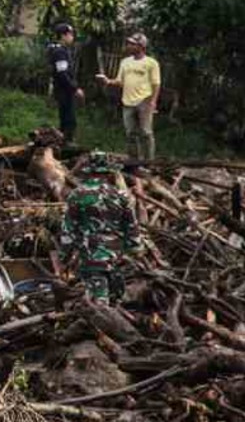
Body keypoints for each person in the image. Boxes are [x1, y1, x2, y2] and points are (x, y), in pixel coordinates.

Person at [59, 151, 139, 305]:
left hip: (90, 255)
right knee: (116, 299)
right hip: (116, 256)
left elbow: (68, 229)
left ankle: (100, 323)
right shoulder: (120, 195)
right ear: (109, 172)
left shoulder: (77, 195)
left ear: (88, 171)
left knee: (98, 300)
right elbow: (131, 226)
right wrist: (135, 248)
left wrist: (65, 255)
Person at [97, 33, 161, 161]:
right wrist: (108, 81)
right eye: (129, 43)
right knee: (130, 133)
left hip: (144, 101)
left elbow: (156, 83)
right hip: (127, 102)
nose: (129, 46)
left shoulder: (151, 63)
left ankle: (149, 161)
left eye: (132, 44)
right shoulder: (125, 62)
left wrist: (153, 101)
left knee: (146, 133)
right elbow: (120, 81)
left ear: (141, 46)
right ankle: (134, 160)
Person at [48, 23, 84, 143]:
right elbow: (62, 74)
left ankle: (63, 143)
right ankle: (67, 145)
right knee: (69, 120)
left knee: (66, 118)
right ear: (63, 36)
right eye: (70, 34)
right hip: (64, 91)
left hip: (64, 90)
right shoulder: (60, 52)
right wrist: (74, 88)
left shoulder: (61, 50)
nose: (72, 37)